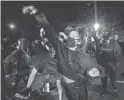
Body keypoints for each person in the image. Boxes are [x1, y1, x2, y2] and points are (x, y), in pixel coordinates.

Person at [22, 5, 89, 100]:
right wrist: (35, 11)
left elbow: (86, 74)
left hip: (80, 89)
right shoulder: (61, 49)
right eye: (69, 35)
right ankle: (27, 89)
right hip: (69, 89)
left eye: (73, 36)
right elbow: (47, 26)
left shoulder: (83, 55)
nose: (68, 37)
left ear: (79, 41)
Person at [94, 28, 119, 99]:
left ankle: (115, 91)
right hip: (102, 63)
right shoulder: (100, 41)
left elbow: (118, 52)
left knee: (112, 78)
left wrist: (116, 61)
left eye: (106, 32)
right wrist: (97, 62)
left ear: (109, 34)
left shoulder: (113, 41)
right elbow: (97, 51)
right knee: (103, 77)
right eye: (103, 32)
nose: (104, 34)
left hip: (111, 63)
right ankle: (104, 90)